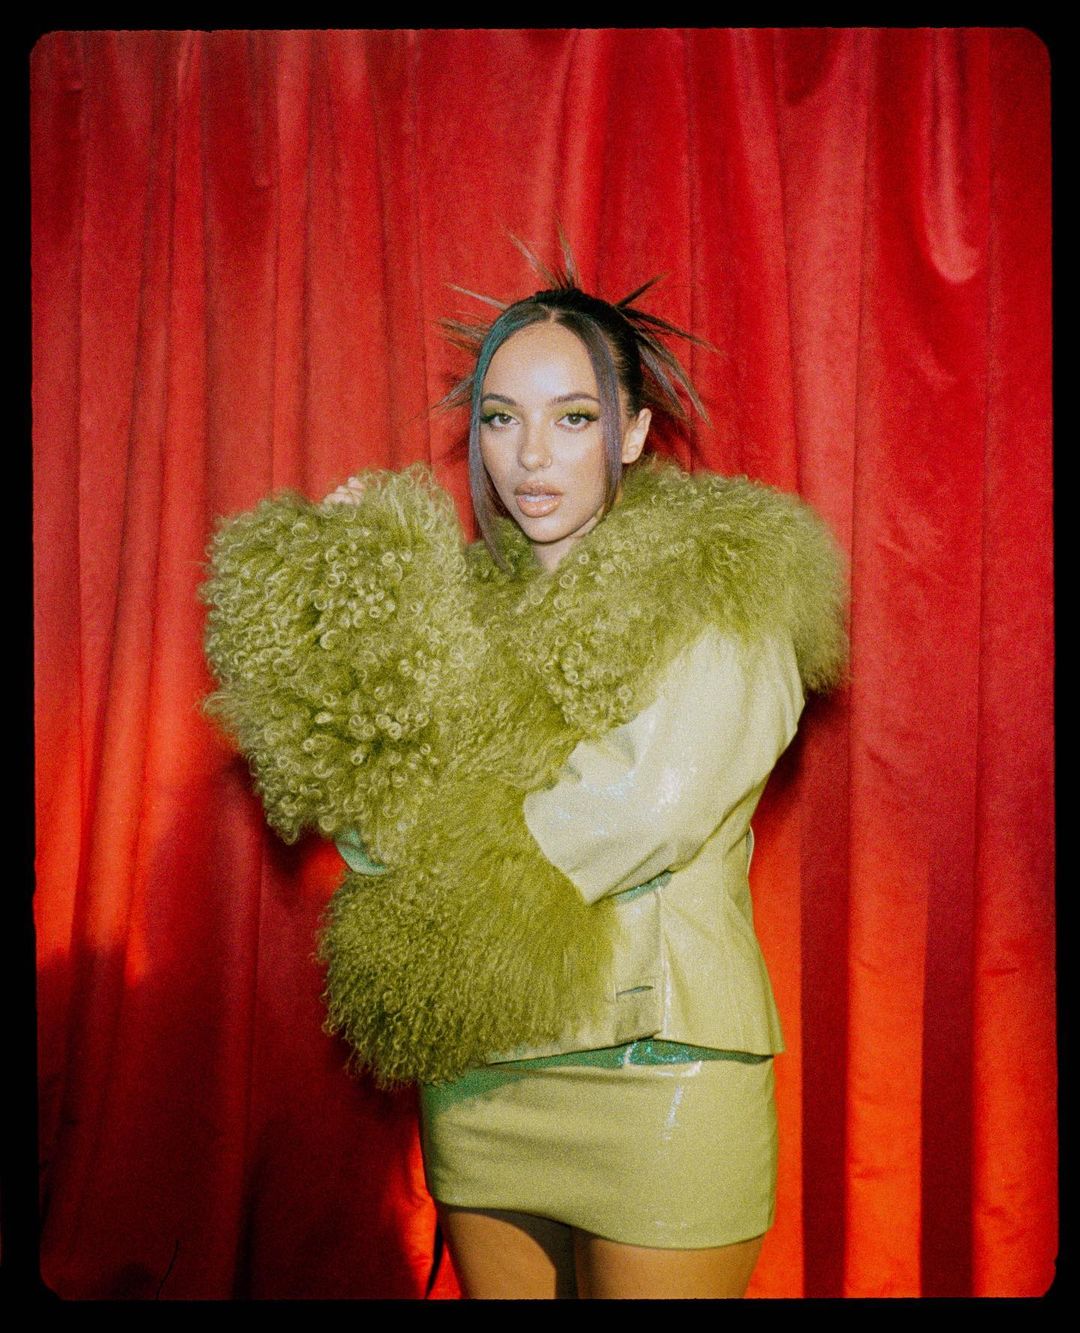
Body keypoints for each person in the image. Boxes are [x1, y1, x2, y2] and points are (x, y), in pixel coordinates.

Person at [202, 245, 846, 1299]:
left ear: (633, 433)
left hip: (656, 1063)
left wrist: (433, 847)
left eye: (574, 417)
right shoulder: (448, 610)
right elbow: (369, 833)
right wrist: (362, 606)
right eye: (501, 417)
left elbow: (638, 814)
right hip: (480, 1072)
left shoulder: (722, 589)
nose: (531, 454)